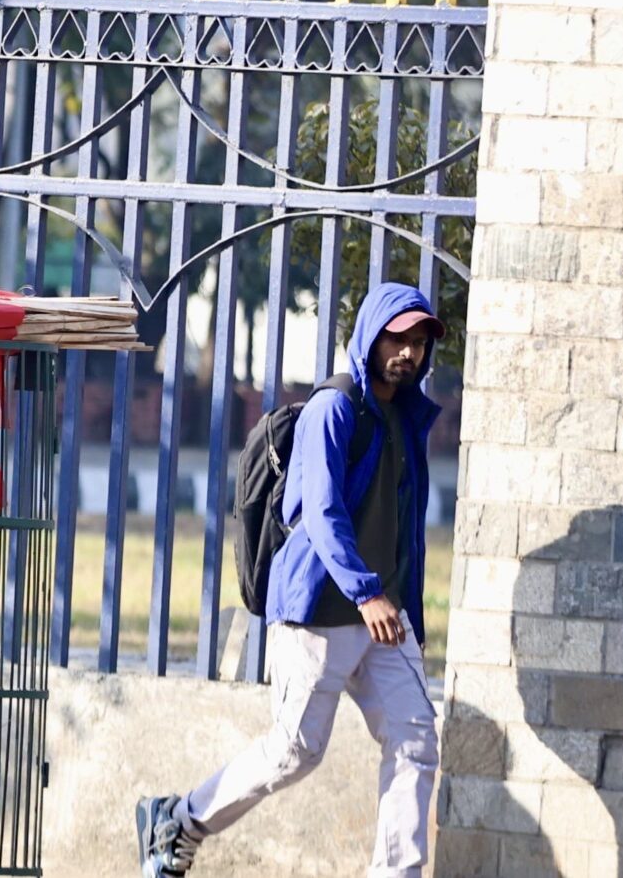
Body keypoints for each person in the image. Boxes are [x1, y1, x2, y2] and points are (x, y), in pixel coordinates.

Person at [133, 282, 446, 878]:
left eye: (419, 341)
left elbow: (405, 524)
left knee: (416, 744)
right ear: (372, 336)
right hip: (319, 612)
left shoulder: (406, 418)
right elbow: (320, 512)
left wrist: (405, 611)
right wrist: (367, 591)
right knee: (295, 752)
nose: (408, 352)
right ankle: (180, 819)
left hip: (383, 617)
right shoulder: (334, 409)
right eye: (397, 338)